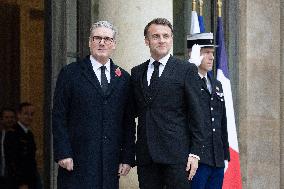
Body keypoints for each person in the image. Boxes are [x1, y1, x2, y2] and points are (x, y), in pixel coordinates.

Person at [52, 20, 135, 189]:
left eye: (107, 39)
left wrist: (127, 157)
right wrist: (63, 152)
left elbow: (128, 122)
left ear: (114, 44)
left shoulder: (124, 78)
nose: (102, 42)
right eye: (97, 38)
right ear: (90, 42)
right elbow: (59, 116)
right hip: (76, 161)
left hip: (109, 163)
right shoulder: (70, 73)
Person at [130, 18, 206, 189]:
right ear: (146, 41)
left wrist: (195, 153)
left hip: (178, 157)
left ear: (172, 39)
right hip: (146, 157)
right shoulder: (136, 72)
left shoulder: (186, 70)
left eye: (166, 36)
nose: (161, 40)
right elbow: (131, 113)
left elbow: (197, 114)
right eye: (156, 36)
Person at [187, 33, 230, 189]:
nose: (211, 57)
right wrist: (191, 69)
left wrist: (224, 154)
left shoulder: (216, 84)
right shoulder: (186, 80)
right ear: (194, 53)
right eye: (206, 52)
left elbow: (221, 121)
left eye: (212, 53)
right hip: (196, 158)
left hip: (216, 158)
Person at [5, 103, 39, 189]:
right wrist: (21, 182)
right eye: (26, 114)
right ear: (19, 115)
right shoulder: (12, 133)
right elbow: (12, 160)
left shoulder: (29, 134)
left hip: (30, 179)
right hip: (19, 182)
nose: (29, 117)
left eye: (31, 114)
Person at [0, 108, 16, 189]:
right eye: (6, 117)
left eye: (12, 117)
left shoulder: (19, 136)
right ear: (1, 119)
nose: (9, 120)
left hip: (13, 178)